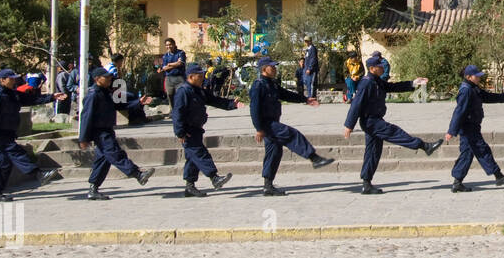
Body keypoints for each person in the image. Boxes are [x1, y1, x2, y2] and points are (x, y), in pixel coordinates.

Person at [343, 52, 440, 194]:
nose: (382, 67)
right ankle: (425, 146)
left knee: (373, 152)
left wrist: (413, 83)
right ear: (372, 68)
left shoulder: (376, 80)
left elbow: (393, 87)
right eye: (379, 65)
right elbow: (356, 105)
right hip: (371, 121)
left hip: (374, 120)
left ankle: (366, 183)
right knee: (394, 132)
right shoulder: (366, 83)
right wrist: (349, 125)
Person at [0, 68, 66, 201]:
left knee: (5, 163)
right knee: (16, 152)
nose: (14, 80)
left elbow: (32, 99)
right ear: (2, 80)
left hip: (9, 132)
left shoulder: (13, 94)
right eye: (11, 78)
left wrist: (52, 97)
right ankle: (38, 173)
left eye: (14, 78)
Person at [249, 56, 334, 196]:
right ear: (264, 69)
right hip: (267, 124)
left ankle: (268, 186)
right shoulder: (258, 85)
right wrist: (258, 128)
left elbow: (286, 95)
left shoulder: (272, 84)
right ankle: (314, 158)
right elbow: (254, 109)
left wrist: (305, 99)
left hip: (272, 122)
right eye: (272, 66)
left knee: (274, 152)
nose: (275, 69)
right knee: (292, 134)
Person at [78, 67, 157, 200]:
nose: (109, 79)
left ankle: (93, 188)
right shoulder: (93, 95)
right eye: (106, 77)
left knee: (102, 160)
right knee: (115, 153)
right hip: (100, 132)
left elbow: (120, 106)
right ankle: (138, 174)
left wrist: (138, 102)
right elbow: (86, 117)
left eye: (109, 77)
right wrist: (83, 138)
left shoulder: (105, 92)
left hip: (107, 129)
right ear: (97, 79)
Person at [445, 65, 504, 192]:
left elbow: (487, 97)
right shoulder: (466, 90)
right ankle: (498, 176)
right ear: (468, 77)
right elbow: (459, 111)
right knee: (482, 149)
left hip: (472, 125)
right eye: (476, 76)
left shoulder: (473, 88)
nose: (479, 78)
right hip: (468, 127)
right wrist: (452, 131)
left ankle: (457, 182)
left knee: (467, 154)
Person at [172, 62, 240, 196]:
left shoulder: (199, 90)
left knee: (193, 158)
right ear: (191, 77)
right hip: (188, 131)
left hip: (197, 129)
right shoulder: (183, 91)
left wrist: (231, 104)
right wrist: (180, 132)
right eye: (200, 75)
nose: (203, 77)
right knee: (200, 154)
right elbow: (177, 113)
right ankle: (214, 178)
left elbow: (214, 100)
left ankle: (189, 187)